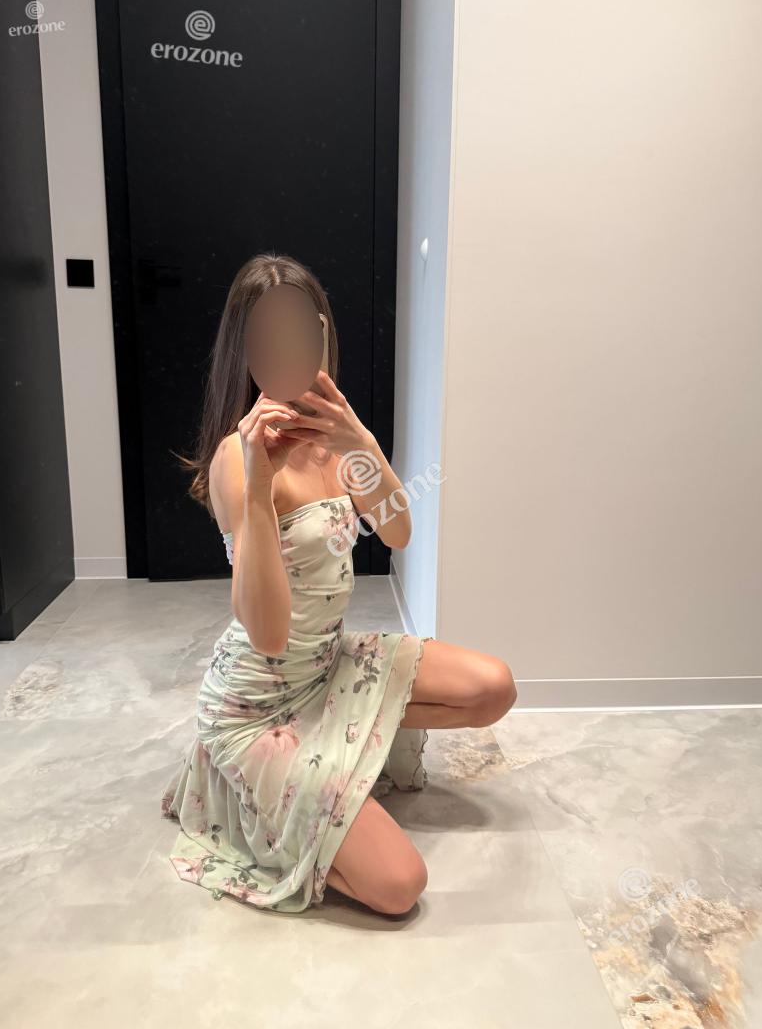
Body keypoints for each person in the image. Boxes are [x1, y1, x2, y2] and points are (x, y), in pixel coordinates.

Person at [161, 251, 518, 916]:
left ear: (322, 333)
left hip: (329, 664)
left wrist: (359, 441)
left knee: (491, 688)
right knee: (398, 885)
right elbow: (268, 634)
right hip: (260, 704)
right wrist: (260, 488)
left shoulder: (334, 439)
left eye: (301, 331)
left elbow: (398, 529)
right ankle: (259, 801)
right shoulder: (237, 462)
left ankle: (341, 758)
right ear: (246, 351)